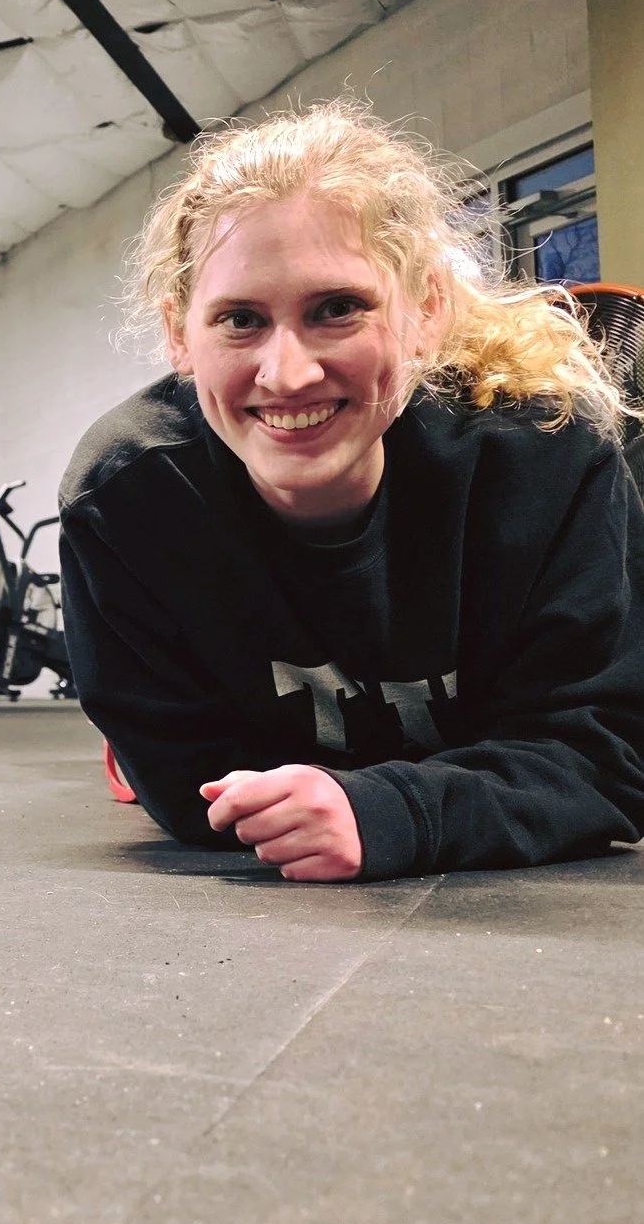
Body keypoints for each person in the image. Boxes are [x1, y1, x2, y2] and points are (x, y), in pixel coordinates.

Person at [60, 101, 644, 882]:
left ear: (426, 309)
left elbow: (607, 758)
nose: (287, 374)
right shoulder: (124, 499)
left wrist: (389, 810)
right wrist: (476, 789)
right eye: (239, 319)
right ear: (178, 334)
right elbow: (187, 783)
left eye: (336, 309)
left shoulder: (547, 456)